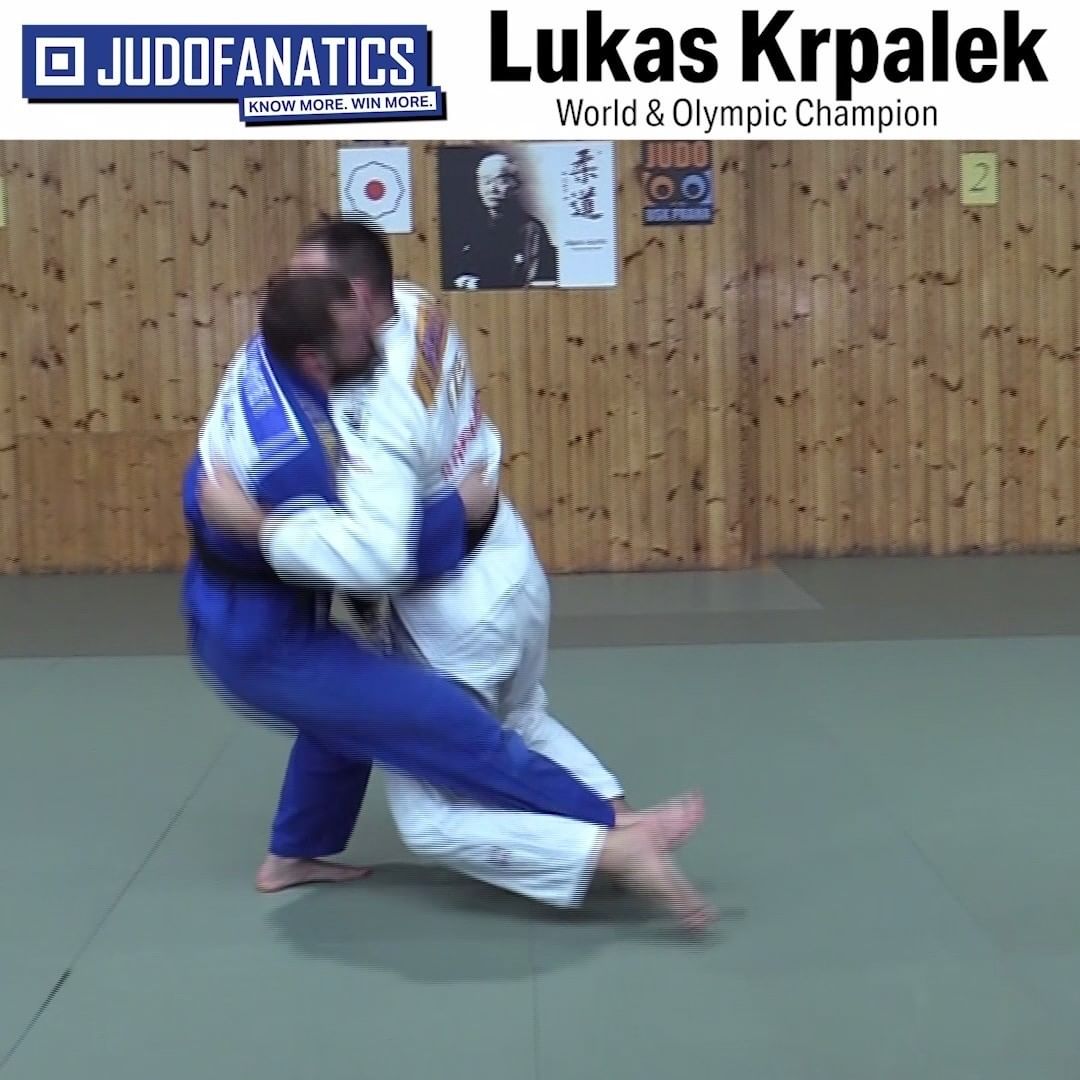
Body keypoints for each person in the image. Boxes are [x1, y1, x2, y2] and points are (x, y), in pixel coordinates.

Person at [188, 268, 715, 929]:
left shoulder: (270, 355)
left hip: (249, 607)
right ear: (313, 356)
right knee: (445, 729)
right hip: (259, 638)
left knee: (343, 722)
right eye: (356, 341)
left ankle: (290, 856)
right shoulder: (299, 451)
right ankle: (613, 836)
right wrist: (460, 511)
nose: (374, 346)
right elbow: (375, 563)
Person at [446, 151, 558, 290]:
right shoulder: (467, 227)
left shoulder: (532, 230)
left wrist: (484, 285)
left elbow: (534, 282)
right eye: (485, 181)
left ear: (516, 185)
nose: (491, 189)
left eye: (500, 180)